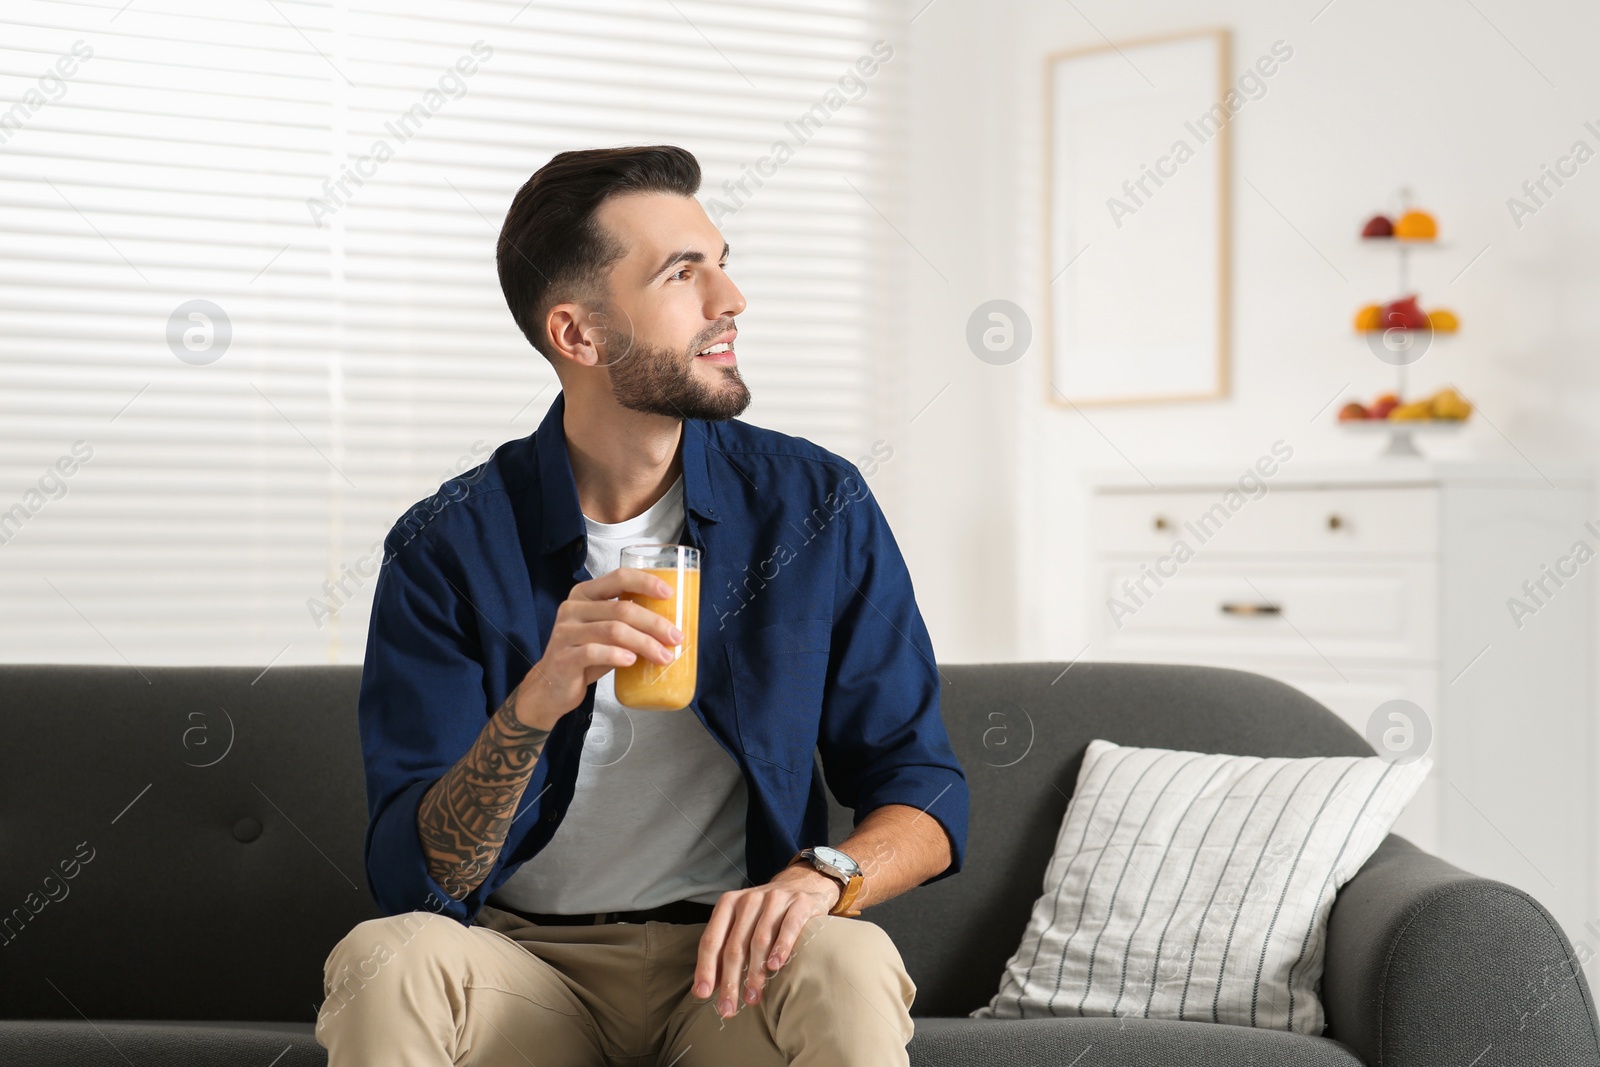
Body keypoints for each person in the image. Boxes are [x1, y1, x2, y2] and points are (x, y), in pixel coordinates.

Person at [315, 145, 969, 1066]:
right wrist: (536, 699)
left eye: (721, 262)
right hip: (523, 969)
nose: (730, 299)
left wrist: (823, 879)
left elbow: (927, 789)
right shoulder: (445, 545)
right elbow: (417, 881)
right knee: (387, 959)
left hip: (734, 970)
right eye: (681, 273)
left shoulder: (814, 504)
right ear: (576, 335)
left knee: (849, 956)